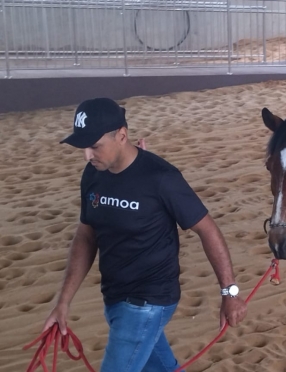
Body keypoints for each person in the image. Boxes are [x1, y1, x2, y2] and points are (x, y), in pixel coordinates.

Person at [42, 98, 248, 372]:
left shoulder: (161, 177)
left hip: (148, 301)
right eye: (84, 147)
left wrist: (229, 292)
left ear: (122, 136)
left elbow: (207, 229)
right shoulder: (93, 175)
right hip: (115, 298)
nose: (87, 156)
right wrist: (63, 303)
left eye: (94, 146)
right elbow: (86, 235)